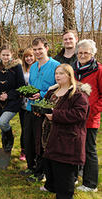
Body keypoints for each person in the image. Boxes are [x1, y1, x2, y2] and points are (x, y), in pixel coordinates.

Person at [40, 64, 90, 199]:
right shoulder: (53, 92)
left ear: (69, 75)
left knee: (65, 174)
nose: (57, 76)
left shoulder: (78, 94)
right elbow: (45, 106)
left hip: (68, 140)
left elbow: (79, 114)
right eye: (56, 73)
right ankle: (52, 186)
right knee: (52, 167)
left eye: (61, 73)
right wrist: (40, 111)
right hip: (51, 136)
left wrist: (55, 115)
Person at [22, 37, 60, 182]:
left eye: (40, 49)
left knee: (41, 142)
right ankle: (30, 167)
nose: (37, 52)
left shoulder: (56, 66)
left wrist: (42, 94)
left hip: (44, 110)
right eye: (35, 49)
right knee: (28, 139)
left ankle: (41, 172)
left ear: (46, 48)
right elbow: (31, 85)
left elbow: (58, 88)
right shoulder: (32, 67)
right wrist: (28, 92)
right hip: (31, 108)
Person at [73, 39, 102, 193]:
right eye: (80, 52)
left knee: (89, 150)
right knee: (75, 148)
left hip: (90, 118)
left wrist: (91, 111)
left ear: (92, 54)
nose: (83, 55)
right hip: (73, 117)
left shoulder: (99, 70)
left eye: (86, 52)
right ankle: (75, 177)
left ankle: (91, 184)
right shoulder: (73, 69)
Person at [0, 44, 25, 153]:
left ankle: (10, 138)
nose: (5, 57)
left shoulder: (16, 67)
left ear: (11, 55)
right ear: (0, 55)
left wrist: (8, 95)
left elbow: (21, 85)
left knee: (3, 123)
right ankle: (6, 149)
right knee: (2, 126)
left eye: (7, 55)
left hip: (12, 102)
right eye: (3, 55)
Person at [18, 48, 36, 161]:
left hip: (34, 101)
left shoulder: (37, 68)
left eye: (31, 56)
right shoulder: (21, 69)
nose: (29, 58)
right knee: (24, 127)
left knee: (33, 128)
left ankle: (33, 150)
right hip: (23, 103)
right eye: (26, 56)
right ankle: (23, 150)